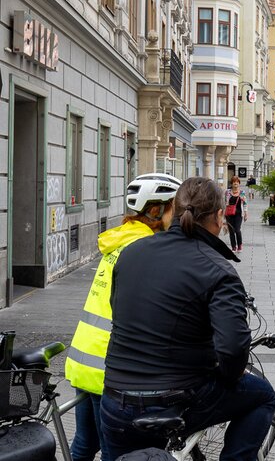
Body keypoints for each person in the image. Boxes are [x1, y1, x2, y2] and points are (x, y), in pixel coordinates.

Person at [101, 177, 275, 459]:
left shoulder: (130, 253)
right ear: (220, 216)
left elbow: (119, 310)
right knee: (262, 396)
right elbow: (232, 349)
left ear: (174, 209)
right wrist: (225, 372)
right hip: (175, 398)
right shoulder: (218, 270)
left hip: (115, 397)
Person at [64, 174, 180, 461]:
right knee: (112, 451)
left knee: (84, 443)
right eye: (174, 208)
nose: (177, 215)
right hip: (110, 365)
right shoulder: (144, 249)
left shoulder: (119, 241)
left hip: (84, 358)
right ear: (156, 211)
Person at [225, 176, 248, 252]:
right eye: (234, 182)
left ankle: (240, 246)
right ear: (231, 183)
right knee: (231, 231)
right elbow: (225, 203)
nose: (235, 183)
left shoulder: (242, 193)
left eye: (237, 182)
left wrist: (245, 213)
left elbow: (245, 203)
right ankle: (233, 247)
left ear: (239, 183)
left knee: (237, 230)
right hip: (229, 214)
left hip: (238, 214)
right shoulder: (227, 192)